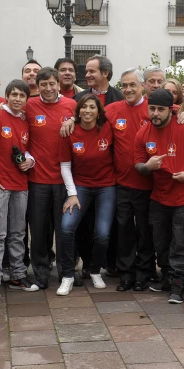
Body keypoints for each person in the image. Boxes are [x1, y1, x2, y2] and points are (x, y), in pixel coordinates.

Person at [135, 89, 184, 303]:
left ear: (171, 110)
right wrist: (147, 167)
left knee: (181, 241)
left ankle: (179, 284)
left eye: (161, 109)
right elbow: (138, 165)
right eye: (152, 109)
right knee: (160, 242)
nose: (156, 113)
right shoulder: (143, 133)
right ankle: (168, 278)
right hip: (158, 196)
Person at [0, 79, 39, 299]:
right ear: (7, 95)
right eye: (14, 95)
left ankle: (17, 275)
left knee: (18, 234)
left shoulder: (24, 121)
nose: (18, 99)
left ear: (26, 99)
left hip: (20, 184)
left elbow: (27, 150)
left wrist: (29, 161)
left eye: (22, 96)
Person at [56, 95, 116, 294]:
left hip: (106, 186)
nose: (87, 111)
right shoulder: (69, 131)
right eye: (84, 107)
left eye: (92, 107)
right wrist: (72, 194)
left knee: (102, 234)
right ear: (78, 111)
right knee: (66, 228)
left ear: (99, 112)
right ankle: (67, 275)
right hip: (80, 186)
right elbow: (65, 167)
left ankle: (95, 270)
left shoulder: (108, 127)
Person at [25, 68, 77, 289]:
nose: (48, 88)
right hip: (37, 180)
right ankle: (41, 275)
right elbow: (8, 112)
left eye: (51, 84)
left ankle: (68, 272)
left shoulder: (71, 106)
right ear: (38, 86)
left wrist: (74, 118)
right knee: (38, 230)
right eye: (43, 84)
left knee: (64, 230)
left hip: (64, 181)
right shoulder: (29, 105)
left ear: (59, 84)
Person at [106, 69, 154, 291]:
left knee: (145, 231)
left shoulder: (152, 109)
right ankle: (126, 273)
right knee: (124, 229)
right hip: (122, 183)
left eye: (132, 85)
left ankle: (143, 273)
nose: (128, 90)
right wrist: (69, 121)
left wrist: (181, 114)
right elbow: (85, 116)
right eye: (124, 85)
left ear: (142, 86)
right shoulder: (112, 110)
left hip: (148, 184)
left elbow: (175, 113)